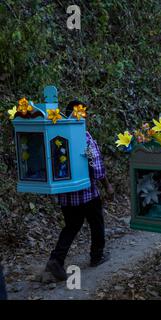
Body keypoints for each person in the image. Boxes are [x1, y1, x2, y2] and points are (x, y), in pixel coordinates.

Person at [45, 100, 114, 281]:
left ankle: (56, 260)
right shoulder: (84, 136)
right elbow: (96, 166)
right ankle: (96, 256)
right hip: (87, 193)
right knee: (96, 222)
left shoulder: (57, 135)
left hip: (66, 195)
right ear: (81, 114)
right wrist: (107, 185)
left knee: (71, 226)